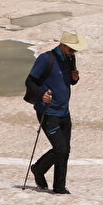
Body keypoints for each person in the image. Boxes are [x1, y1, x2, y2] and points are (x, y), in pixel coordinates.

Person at [27, 30, 86, 194]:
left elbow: (65, 82)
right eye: (71, 49)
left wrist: (75, 79)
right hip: (48, 112)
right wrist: (41, 95)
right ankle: (38, 169)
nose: (74, 52)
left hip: (64, 112)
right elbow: (30, 82)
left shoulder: (70, 59)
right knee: (60, 149)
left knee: (65, 150)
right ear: (62, 45)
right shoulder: (46, 59)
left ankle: (59, 187)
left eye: (75, 50)